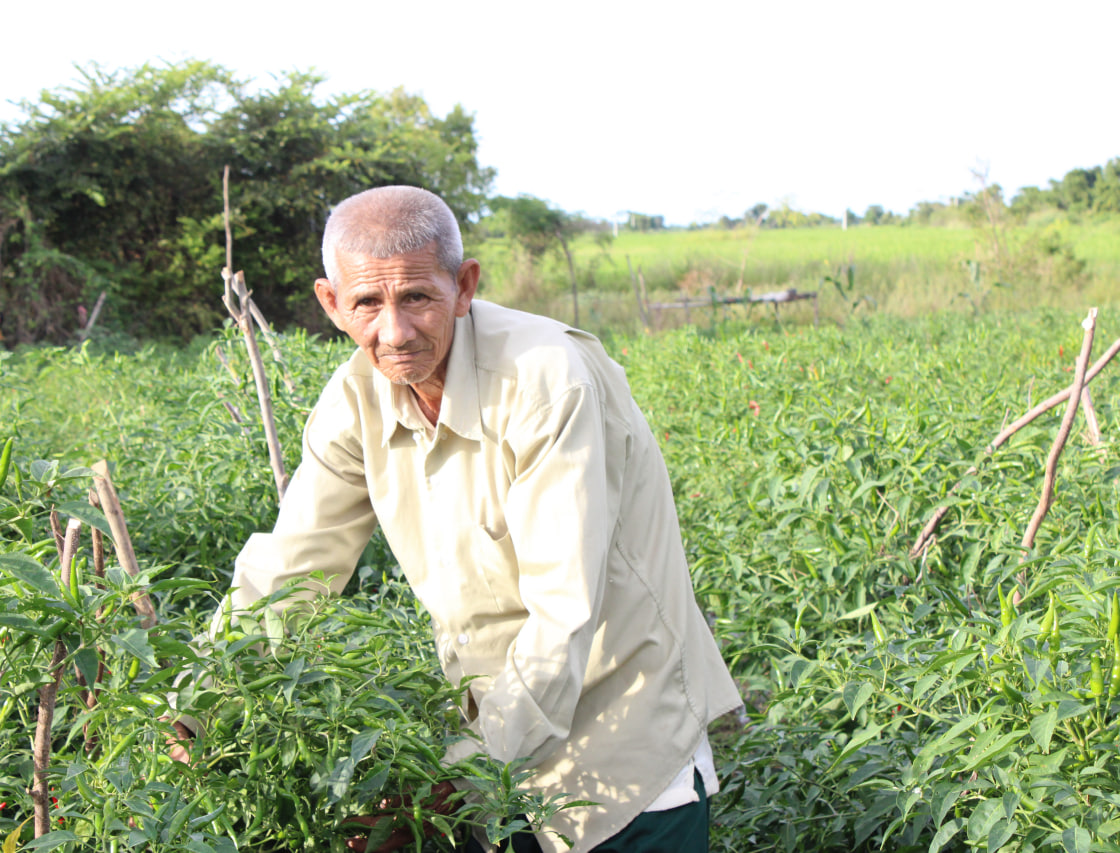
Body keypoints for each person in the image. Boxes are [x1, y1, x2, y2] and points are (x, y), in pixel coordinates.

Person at [181, 186, 741, 852]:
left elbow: (564, 614)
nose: (394, 332)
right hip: (493, 753)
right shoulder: (356, 398)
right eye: (367, 303)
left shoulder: (544, 380)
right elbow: (291, 566)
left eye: (417, 297)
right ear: (331, 303)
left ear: (464, 285)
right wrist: (196, 705)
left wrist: (454, 771)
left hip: (625, 747)